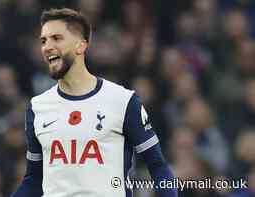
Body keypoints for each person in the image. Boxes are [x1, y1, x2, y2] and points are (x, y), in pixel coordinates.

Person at [11, 8, 177, 197]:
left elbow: (157, 166)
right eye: (43, 41)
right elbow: (33, 180)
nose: (47, 47)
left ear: (81, 46)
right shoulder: (38, 108)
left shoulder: (122, 101)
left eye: (56, 38)